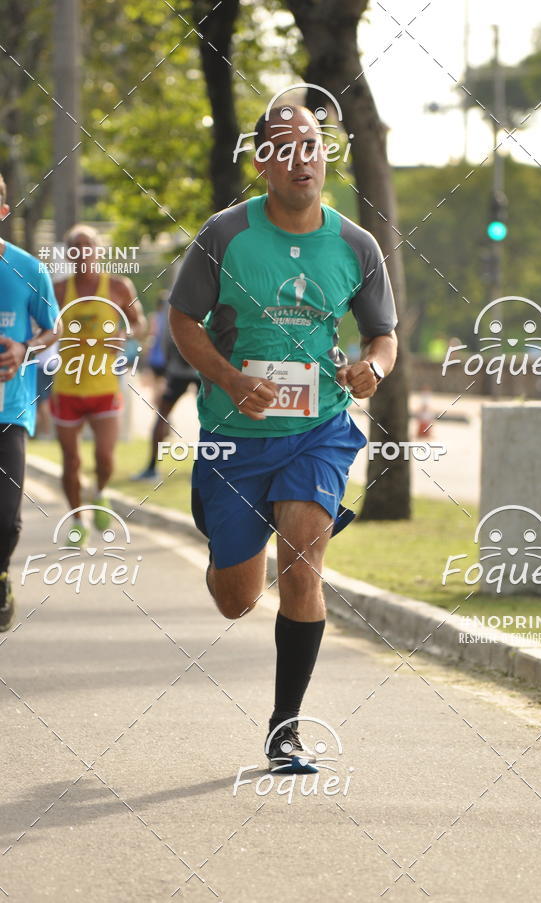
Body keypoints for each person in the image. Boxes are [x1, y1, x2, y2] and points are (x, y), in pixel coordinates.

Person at [169, 105, 397, 771]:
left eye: (314, 147)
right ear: (261, 162)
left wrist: (372, 367)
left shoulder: (357, 245)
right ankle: (227, 540)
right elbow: (184, 319)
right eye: (287, 148)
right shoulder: (225, 235)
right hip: (235, 436)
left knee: (302, 563)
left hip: (317, 431)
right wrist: (229, 378)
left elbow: (382, 333)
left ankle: (285, 728)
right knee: (236, 599)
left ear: (327, 158)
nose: (303, 159)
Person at [51, 225, 146, 545]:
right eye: (75, 248)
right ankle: (77, 520)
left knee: (105, 458)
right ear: (68, 254)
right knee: (71, 461)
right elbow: (43, 324)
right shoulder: (60, 290)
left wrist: (124, 335)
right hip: (67, 388)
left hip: (105, 387)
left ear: (98, 251)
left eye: (87, 246)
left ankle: (100, 492)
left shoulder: (118, 287)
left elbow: (139, 324)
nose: (82, 253)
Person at [0, 172, 61, 629]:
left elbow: (52, 329)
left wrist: (24, 348)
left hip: (9, 410)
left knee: (6, 518)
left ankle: (1, 574)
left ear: (3, 212)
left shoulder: (27, 269)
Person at [132, 311, 201, 481]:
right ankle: (151, 467)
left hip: (193, 369)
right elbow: (166, 335)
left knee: (164, 416)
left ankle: (152, 467)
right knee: (163, 415)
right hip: (186, 369)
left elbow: (165, 335)